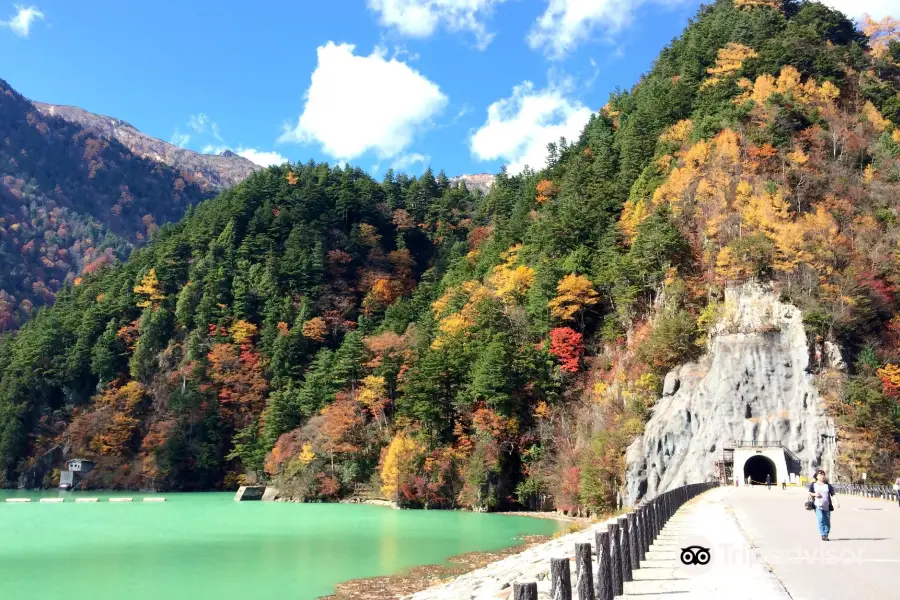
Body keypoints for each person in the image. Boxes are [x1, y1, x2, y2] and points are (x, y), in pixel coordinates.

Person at [808, 469, 836, 541]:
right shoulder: (813, 484)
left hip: (827, 506)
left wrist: (837, 502)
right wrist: (815, 494)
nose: (822, 476)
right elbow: (810, 493)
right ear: (817, 476)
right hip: (817, 506)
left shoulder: (828, 485)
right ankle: (823, 534)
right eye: (820, 475)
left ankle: (826, 534)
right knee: (820, 519)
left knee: (827, 521)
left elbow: (833, 494)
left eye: (823, 474)